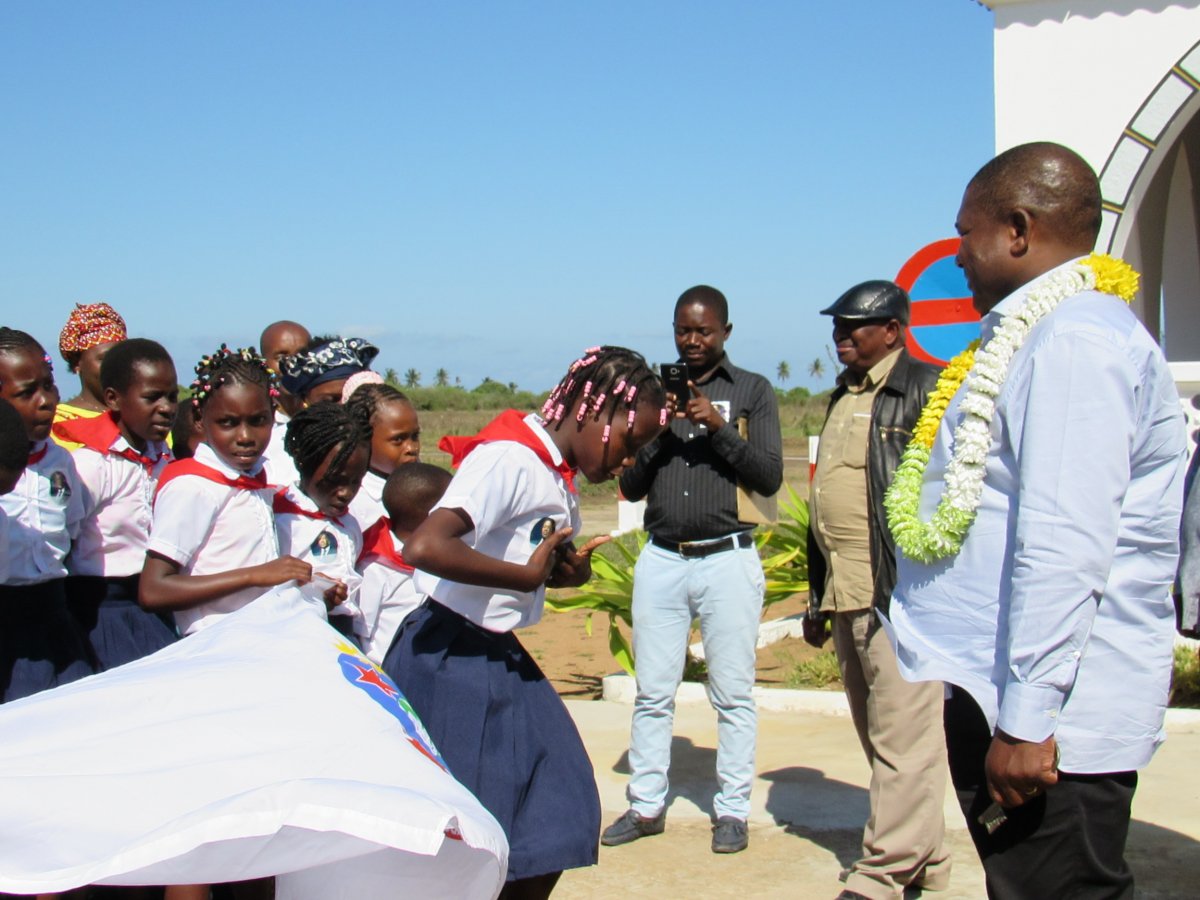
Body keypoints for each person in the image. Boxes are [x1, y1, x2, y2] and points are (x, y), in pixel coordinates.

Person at [885, 142, 1187, 898]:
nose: (956, 257)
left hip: (1052, 724)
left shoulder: (1077, 340)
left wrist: (1024, 723)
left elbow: (1062, 544)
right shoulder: (1038, 335)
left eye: (965, 234)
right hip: (1011, 696)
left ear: (1017, 230)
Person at [383, 346, 667, 899]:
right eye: (630, 443)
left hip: (493, 653)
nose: (629, 462)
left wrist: (562, 575)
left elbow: (526, 562)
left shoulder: (555, 475)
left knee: (557, 803)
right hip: (449, 655)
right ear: (593, 409)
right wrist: (522, 577)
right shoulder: (510, 459)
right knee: (465, 832)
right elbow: (425, 544)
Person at [603, 285, 783, 855]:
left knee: (732, 694)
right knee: (653, 692)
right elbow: (629, 485)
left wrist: (714, 426)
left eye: (704, 331)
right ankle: (646, 804)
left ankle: (731, 811)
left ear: (726, 331)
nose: (693, 340)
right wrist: (659, 431)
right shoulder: (654, 396)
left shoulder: (753, 390)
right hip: (661, 559)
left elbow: (770, 476)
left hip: (728, 559)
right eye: (684, 330)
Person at [806, 281, 948, 900]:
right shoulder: (843, 396)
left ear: (892, 330)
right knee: (879, 735)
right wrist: (818, 595)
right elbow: (824, 503)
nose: (841, 335)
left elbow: (953, 490)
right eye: (836, 325)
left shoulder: (926, 387)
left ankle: (882, 872)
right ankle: (930, 861)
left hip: (899, 597)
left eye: (854, 325)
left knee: (903, 736)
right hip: (846, 592)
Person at [139, 345, 313, 637]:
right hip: (213, 645)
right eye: (228, 423)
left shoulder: (252, 477)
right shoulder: (194, 487)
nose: (245, 437)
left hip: (256, 637)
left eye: (258, 421)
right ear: (199, 419)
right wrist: (253, 576)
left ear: (273, 415)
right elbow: (154, 590)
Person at [55, 338, 180, 670]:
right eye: (152, 397)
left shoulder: (163, 457)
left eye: (171, 396)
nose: (167, 407)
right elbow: (63, 539)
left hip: (153, 604)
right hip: (101, 611)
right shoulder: (92, 465)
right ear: (113, 398)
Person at [0, 328, 94, 701]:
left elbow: (72, 528)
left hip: (56, 618)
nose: (46, 401)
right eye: (26, 393)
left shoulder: (61, 461)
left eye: (49, 386)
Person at [273, 402, 373, 637]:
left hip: (341, 633)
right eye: (334, 480)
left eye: (355, 482)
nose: (345, 493)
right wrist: (314, 592)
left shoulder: (349, 524)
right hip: (297, 633)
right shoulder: (282, 518)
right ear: (303, 463)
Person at [356, 461, 451, 665]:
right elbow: (361, 632)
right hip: (387, 676)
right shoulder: (376, 567)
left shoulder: (443, 557)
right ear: (433, 514)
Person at [346, 382, 422, 532]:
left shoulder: (425, 487)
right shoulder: (353, 503)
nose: (412, 448)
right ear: (364, 439)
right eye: (398, 439)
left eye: (415, 436)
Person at [53, 301, 128, 450]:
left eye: (122, 357)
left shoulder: (139, 417)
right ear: (77, 363)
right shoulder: (56, 423)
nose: (115, 366)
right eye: (104, 359)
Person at [258, 319, 311, 486]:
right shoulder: (255, 426)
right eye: (281, 356)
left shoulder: (328, 418)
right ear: (263, 363)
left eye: (302, 355)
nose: (292, 364)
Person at [279, 335, 379, 407]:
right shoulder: (279, 436)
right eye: (331, 401)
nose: (343, 405)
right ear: (305, 400)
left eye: (351, 398)